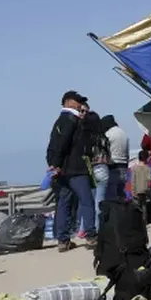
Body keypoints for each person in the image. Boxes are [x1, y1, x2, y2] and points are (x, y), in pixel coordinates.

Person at [46, 90, 97, 252]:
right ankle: (90, 236)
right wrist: (56, 164)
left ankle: (63, 240)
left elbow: (52, 146)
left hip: (63, 171)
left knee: (64, 203)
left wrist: (53, 164)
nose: (80, 104)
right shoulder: (71, 119)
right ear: (68, 102)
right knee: (87, 201)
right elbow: (63, 143)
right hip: (75, 168)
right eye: (77, 101)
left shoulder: (59, 121)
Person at [82, 111, 111, 231]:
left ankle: (85, 229)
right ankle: (99, 228)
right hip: (103, 168)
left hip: (89, 169)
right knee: (100, 201)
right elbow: (108, 155)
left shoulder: (85, 138)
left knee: (88, 202)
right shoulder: (103, 137)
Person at [100, 115, 129, 201]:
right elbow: (127, 153)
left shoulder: (108, 134)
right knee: (121, 194)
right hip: (124, 166)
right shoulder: (124, 134)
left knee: (111, 196)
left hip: (112, 167)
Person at [130, 149, 151, 215]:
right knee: (144, 205)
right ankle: (144, 219)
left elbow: (133, 180)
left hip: (137, 190)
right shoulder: (148, 168)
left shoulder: (134, 168)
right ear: (146, 158)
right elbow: (150, 179)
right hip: (145, 190)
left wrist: (133, 191)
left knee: (137, 206)